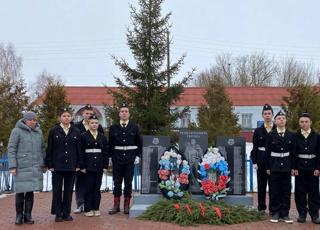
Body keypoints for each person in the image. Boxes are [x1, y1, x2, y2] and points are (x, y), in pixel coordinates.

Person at [8, 111, 46, 225]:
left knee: (30, 191)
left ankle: (28, 215)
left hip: (34, 166)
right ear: (25, 120)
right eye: (30, 120)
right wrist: (12, 166)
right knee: (20, 191)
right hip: (21, 166)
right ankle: (19, 215)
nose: (32, 122)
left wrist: (43, 164)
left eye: (34, 120)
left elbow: (42, 149)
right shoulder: (16, 131)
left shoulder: (38, 132)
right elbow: (12, 149)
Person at [45, 107, 81, 222]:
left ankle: (66, 212)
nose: (66, 118)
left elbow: (78, 149)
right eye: (64, 116)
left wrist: (78, 163)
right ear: (60, 117)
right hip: (57, 165)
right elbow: (50, 148)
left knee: (69, 190)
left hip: (71, 165)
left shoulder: (76, 131)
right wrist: (49, 163)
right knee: (57, 189)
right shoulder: (54, 131)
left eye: (68, 116)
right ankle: (58, 213)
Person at [108, 103, 141, 215]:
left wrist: (137, 156)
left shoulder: (134, 127)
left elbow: (138, 143)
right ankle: (116, 204)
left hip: (130, 157)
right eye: (122, 111)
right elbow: (110, 144)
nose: (124, 113)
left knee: (128, 182)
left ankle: (127, 204)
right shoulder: (113, 127)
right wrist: (110, 157)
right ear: (119, 114)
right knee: (117, 182)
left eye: (126, 111)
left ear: (129, 114)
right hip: (117, 157)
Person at [266, 110, 296, 224]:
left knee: (286, 190)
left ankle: (285, 213)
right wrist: (268, 166)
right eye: (279, 118)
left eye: (283, 118)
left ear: (285, 121)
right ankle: (275, 212)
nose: (281, 120)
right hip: (274, 165)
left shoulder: (291, 135)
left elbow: (293, 152)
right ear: (275, 121)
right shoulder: (270, 135)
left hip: (287, 165)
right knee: (274, 190)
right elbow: (267, 151)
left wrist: (293, 166)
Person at [74, 104, 105, 214]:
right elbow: (79, 148)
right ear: (83, 114)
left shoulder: (100, 131)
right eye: (86, 113)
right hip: (84, 162)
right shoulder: (77, 127)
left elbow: (104, 148)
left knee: (95, 185)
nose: (89, 116)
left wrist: (104, 165)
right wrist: (80, 164)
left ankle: (94, 207)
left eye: (91, 114)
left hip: (96, 163)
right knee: (81, 184)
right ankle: (80, 204)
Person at [79, 114, 108, 217]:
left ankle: (96, 207)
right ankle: (88, 208)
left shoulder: (102, 136)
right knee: (88, 188)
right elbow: (80, 151)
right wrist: (82, 166)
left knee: (97, 187)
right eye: (92, 122)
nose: (94, 124)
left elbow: (105, 152)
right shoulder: (83, 136)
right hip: (88, 165)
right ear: (88, 123)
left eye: (96, 123)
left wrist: (105, 166)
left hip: (99, 165)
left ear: (98, 124)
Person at [294, 113, 320, 224]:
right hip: (300, 167)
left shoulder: (317, 136)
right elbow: (293, 153)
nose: (304, 124)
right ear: (299, 123)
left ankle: (314, 214)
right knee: (300, 192)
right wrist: (294, 167)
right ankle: (302, 213)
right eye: (302, 122)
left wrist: (318, 167)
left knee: (313, 192)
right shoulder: (296, 136)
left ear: (310, 122)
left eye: (306, 121)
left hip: (312, 167)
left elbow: (319, 153)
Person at [250, 104, 276, 212]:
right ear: (262, 116)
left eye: (269, 113)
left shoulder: (276, 129)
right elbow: (255, 147)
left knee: (273, 186)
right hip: (261, 161)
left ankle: (273, 208)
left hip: (273, 161)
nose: (267, 116)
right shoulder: (258, 131)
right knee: (261, 185)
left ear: (272, 115)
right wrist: (255, 162)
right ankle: (261, 206)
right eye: (265, 114)